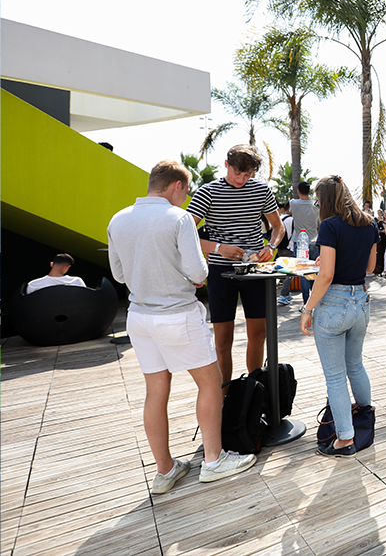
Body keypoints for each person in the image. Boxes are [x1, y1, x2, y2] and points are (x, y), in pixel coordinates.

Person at [108, 160, 256, 493]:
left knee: (155, 392)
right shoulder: (178, 218)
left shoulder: (118, 219)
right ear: (177, 185)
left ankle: (164, 471)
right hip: (177, 314)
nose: (185, 197)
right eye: (185, 191)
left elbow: (119, 275)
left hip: (140, 317)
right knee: (209, 382)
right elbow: (199, 274)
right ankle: (214, 461)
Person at [187, 144, 283, 385]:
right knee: (222, 340)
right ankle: (224, 398)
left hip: (255, 269)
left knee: (258, 334)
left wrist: (270, 247)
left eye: (247, 174)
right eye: (237, 173)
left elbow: (278, 227)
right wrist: (219, 248)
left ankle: (255, 392)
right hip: (220, 271)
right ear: (226, 165)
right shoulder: (207, 192)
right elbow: (184, 233)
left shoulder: (261, 191)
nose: (241, 179)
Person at [299, 175, 379, 458]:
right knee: (355, 365)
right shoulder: (369, 223)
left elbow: (327, 275)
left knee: (335, 376)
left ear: (324, 200)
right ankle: (364, 419)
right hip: (361, 302)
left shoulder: (329, 226)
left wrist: (307, 309)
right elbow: (369, 266)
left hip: (333, 304)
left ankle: (345, 439)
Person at [288, 181, 320, 304]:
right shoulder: (316, 205)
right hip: (314, 240)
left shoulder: (293, 203)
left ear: (298, 192)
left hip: (299, 241)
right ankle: (314, 300)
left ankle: (306, 302)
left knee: (303, 272)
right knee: (314, 271)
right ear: (310, 192)